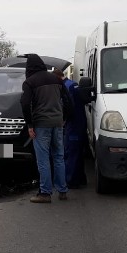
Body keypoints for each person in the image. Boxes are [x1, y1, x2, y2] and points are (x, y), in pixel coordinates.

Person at [20, 55, 72, 203]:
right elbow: (68, 101)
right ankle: (62, 190)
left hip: (41, 124)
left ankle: (45, 193)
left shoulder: (29, 82)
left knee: (43, 159)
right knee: (59, 157)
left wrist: (30, 125)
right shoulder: (56, 79)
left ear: (29, 67)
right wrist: (64, 118)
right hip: (57, 123)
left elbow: (24, 104)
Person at [59, 68, 88, 188]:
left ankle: (70, 181)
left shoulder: (67, 87)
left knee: (71, 153)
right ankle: (80, 179)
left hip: (73, 123)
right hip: (79, 122)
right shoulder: (72, 84)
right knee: (77, 153)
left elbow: (69, 107)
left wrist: (63, 120)